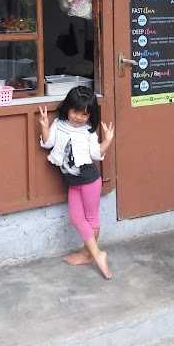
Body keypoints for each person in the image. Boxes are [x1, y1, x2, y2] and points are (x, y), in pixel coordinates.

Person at [39, 86, 115, 279]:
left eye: (84, 114)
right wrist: (44, 126)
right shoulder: (59, 124)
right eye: (75, 112)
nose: (79, 118)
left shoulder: (88, 133)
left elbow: (96, 154)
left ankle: (90, 254)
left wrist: (108, 140)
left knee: (91, 219)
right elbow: (48, 143)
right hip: (73, 182)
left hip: (90, 180)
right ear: (68, 109)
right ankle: (96, 254)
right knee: (76, 218)